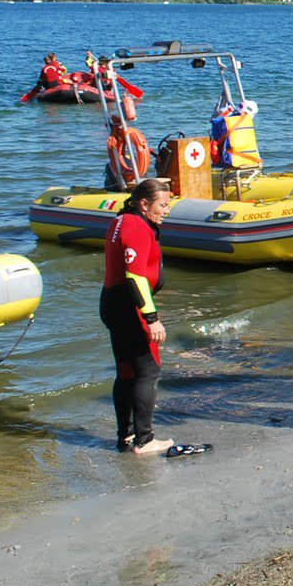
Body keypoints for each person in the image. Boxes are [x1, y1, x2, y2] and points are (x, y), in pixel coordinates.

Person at [100, 178, 176, 455]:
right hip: (129, 305)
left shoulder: (121, 220)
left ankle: (126, 436)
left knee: (127, 372)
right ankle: (144, 440)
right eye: (163, 205)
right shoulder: (136, 226)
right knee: (148, 371)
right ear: (144, 204)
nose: (167, 211)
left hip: (113, 301)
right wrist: (151, 317)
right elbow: (135, 276)